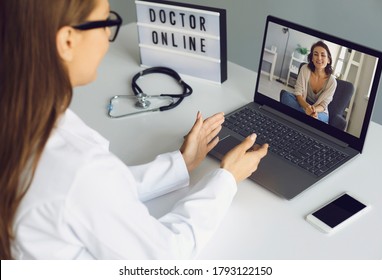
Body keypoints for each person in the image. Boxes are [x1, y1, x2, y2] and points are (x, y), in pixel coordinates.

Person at [0, 0, 268, 260]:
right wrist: (227, 179)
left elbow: (98, 197)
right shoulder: (79, 171)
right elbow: (166, 257)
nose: (108, 36)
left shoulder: (22, 119)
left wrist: (180, 164)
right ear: (67, 41)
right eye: (106, 22)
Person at [280, 41, 337, 123]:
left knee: (321, 119)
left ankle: (300, 117)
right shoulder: (305, 69)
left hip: (319, 111)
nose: (319, 58)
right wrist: (307, 108)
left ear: (328, 60)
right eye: (316, 54)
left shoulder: (332, 82)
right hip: (302, 104)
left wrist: (313, 111)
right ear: (312, 59)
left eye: (323, 55)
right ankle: (307, 120)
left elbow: (323, 105)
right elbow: (298, 93)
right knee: (286, 96)